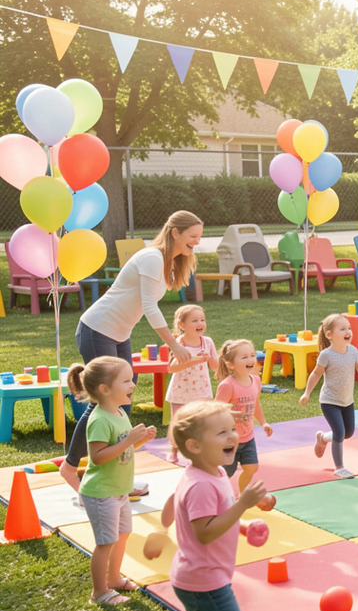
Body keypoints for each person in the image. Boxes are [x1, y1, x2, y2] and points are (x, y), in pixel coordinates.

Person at [62, 210, 203, 493]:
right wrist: (174, 344)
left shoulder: (168, 262)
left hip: (117, 335)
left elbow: (147, 304)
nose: (196, 243)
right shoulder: (152, 258)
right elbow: (150, 307)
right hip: (97, 330)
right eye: (193, 237)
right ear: (175, 232)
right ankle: (73, 468)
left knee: (124, 399)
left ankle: (117, 478)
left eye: (199, 237)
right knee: (104, 403)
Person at [167, 400, 268, 611]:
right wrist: (243, 504)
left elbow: (218, 516)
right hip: (205, 580)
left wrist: (243, 526)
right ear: (195, 446)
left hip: (199, 577)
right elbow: (204, 532)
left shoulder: (217, 473)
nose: (233, 436)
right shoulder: (200, 485)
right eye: (222, 432)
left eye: (232, 429)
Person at [69, 357, 156, 605]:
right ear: (104, 389)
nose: (133, 385)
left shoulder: (118, 413)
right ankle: (99, 592)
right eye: (127, 381)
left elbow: (121, 447)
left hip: (119, 490)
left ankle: (114, 579)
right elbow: (97, 458)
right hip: (100, 493)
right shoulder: (99, 420)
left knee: (123, 534)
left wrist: (140, 440)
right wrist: (129, 440)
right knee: (105, 543)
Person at [300, 314, 358, 479]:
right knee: (339, 433)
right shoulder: (326, 355)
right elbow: (316, 374)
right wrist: (307, 393)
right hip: (329, 401)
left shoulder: (352, 351)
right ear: (329, 334)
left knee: (348, 432)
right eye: (343, 328)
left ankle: (323, 438)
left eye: (349, 328)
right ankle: (339, 467)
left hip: (347, 401)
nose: (348, 331)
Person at [213, 340, 272, 495]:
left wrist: (263, 422)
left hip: (248, 436)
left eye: (252, 355)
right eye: (244, 357)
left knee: (252, 467)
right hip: (228, 439)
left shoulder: (256, 381)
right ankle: (216, 494)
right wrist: (232, 414)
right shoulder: (227, 385)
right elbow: (215, 409)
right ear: (231, 364)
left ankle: (242, 494)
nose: (250, 360)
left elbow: (256, 403)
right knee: (226, 473)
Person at [164, 305, 218, 463]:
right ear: (182, 325)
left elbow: (215, 367)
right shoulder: (178, 343)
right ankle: (174, 449)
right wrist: (193, 361)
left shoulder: (207, 342)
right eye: (194, 320)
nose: (200, 323)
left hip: (202, 391)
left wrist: (208, 358)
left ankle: (202, 451)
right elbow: (171, 368)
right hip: (181, 391)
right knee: (179, 423)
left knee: (203, 424)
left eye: (202, 320)